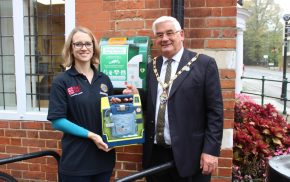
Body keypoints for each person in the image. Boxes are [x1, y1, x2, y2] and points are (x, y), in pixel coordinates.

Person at [124, 16, 224, 182]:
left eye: (170, 33)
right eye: (159, 35)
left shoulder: (204, 64)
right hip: (156, 153)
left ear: (181, 34)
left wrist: (211, 151)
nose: (164, 39)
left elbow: (215, 112)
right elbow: (154, 103)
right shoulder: (151, 67)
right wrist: (136, 96)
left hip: (191, 154)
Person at [47, 26, 115, 182]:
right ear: (71, 48)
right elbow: (57, 121)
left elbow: (110, 117)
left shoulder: (104, 79)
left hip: (104, 158)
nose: (84, 48)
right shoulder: (62, 81)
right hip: (76, 162)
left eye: (88, 43)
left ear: (94, 46)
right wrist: (91, 136)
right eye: (78, 44)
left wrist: (121, 103)